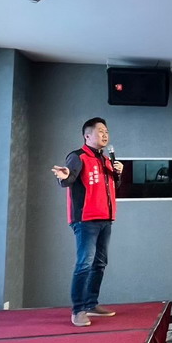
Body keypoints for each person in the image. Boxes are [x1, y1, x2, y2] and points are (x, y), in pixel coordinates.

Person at [51, 117, 123, 327]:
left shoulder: (107, 160)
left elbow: (114, 186)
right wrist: (63, 176)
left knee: (100, 263)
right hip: (85, 219)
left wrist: (118, 173)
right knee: (85, 263)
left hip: (105, 218)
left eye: (106, 131)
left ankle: (91, 304)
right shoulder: (77, 156)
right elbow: (68, 179)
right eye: (100, 131)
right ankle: (78, 310)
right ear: (87, 135)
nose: (105, 135)